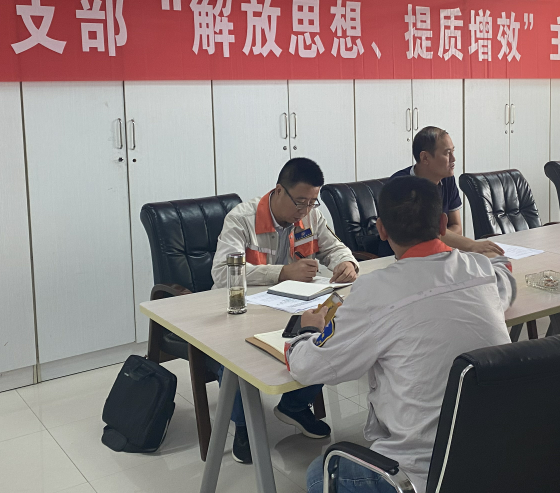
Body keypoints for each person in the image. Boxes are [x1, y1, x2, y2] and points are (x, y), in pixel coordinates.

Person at [288, 176, 516, 493]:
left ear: (382, 229)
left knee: (320, 472)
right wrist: (498, 262)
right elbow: (506, 278)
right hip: (499, 458)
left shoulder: (375, 290)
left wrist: (309, 330)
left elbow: (307, 367)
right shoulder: (480, 270)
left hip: (422, 477)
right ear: (442, 224)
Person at [211, 157, 358, 463]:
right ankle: (243, 425)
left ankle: (294, 406)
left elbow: (334, 247)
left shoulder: (312, 215)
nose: (305, 210)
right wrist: (281, 273)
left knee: (329, 333)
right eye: (300, 201)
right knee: (235, 355)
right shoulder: (242, 219)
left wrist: (346, 262)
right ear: (279, 190)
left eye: (312, 202)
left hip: (291, 306)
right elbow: (223, 273)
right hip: (244, 309)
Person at [383, 126, 503, 257]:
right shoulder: (400, 186)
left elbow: (457, 227)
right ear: (425, 158)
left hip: (437, 254)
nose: (453, 159)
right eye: (447, 153)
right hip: (397, 258)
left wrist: (436, 239)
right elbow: (415, 238)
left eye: (453, 151)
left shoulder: (447, 179)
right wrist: (471, 245)